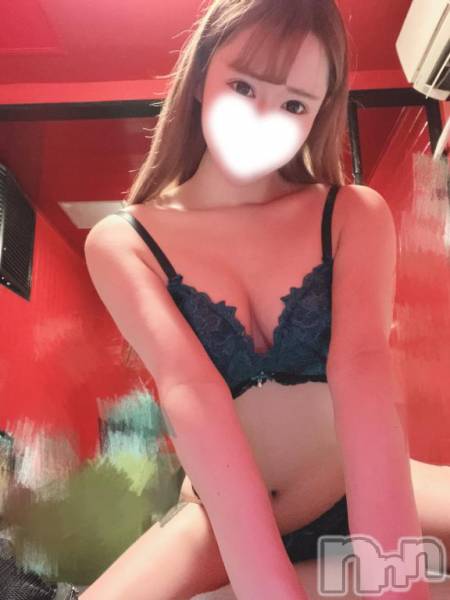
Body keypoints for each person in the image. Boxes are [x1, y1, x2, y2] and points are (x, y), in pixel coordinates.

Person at [82, 0, 449, 598]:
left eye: (294, 104)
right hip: (217, 522)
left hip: (354, 485)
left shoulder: (351, 213)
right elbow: (191, 394)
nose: (262, 118)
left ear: (318, 114)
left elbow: (363, 373)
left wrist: (394, 580)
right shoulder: (124, 242)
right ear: (200, 77)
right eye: (244, 86)